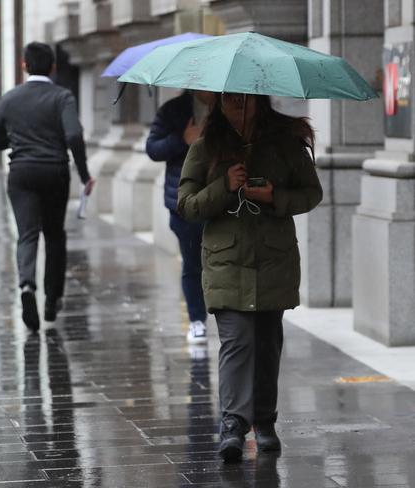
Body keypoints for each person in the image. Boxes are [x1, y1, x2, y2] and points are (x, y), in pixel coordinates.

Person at [177, 92, 323, 462]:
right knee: (237, 340)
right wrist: (224, 186)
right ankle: (233, 425)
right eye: (229, 102)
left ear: (258, 102)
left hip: (273, 260)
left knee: (267, 344)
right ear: (219, 106)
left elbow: (311, 193)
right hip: (227, 261)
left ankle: (265, 421)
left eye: (243, 101)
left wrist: (275, 196)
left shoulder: (286, 144)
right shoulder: (205, 148)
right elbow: (188, 206)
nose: (236, 108)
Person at [0, 41, 95, 332]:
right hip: (55, 172)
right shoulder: (62, 97)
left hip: (21, 173)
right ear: (53, 67)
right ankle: (52, 300)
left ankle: (26, 286)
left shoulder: (10, 99)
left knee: (27, 234)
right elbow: (73, 135)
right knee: (55, 235)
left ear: (24, 65)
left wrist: (20, 139)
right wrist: (84, 175)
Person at [146, 90, 211, 344]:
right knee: (193, 263)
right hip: (184, 201)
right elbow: (152, 148)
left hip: (222, 197)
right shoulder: (173, 110)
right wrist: (183, 139)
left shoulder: (231, 105)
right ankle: (197, 319)